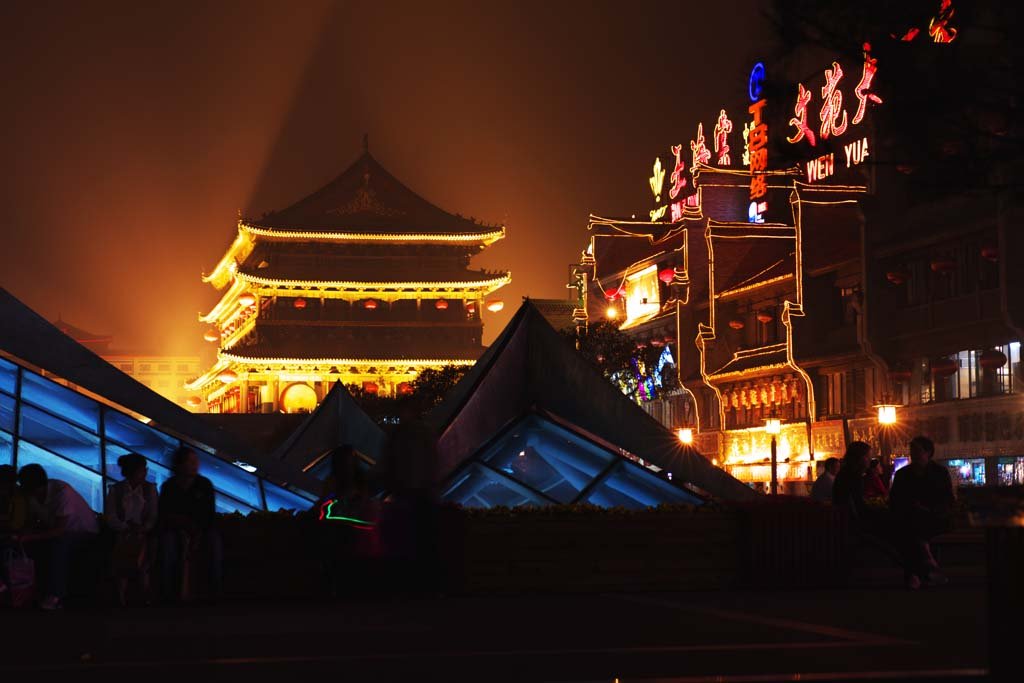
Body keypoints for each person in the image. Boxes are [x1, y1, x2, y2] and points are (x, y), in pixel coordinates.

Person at [15, 464, 99, 610]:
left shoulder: (62, 492)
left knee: (59, 546)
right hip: (62, 530)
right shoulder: (34, 495)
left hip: (82, 531)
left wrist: (29, 536)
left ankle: (55, 594)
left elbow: (60, 530)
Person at [890, 436, 955, 589]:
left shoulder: (939, 472)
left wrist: (930, 508)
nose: (913, 454)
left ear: (928, 452)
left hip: (934, 517)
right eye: (912, 451)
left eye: (917, 451)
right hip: (910, 518)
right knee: (911, 527)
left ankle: (914, 574)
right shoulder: (903, 474)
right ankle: (928, 564)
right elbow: (894, 500)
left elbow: (947, 499)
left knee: (911, 532)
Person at [158, 446, 222, 602]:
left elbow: (208, 514)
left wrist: (196, 529)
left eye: (196, 461)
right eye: (191, 461)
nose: (195, 465)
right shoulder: (170, 486)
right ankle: (170, 591)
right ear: (180, 464)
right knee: (169, 545)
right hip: (177, 529)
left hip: (201, 529)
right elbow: (165, 513)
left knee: (213, 545)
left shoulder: (204, 484)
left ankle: (214, 589)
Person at [104, 453, 158, 605]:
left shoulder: (148, 489)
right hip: (125, 532)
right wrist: (127, 528)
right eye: (142, 469)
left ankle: (125, 593)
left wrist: (142, 529)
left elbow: (153, 516)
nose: (145, 472)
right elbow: (111, 516)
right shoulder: (117, 490)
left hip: (140, 532)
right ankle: (139, 593)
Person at [832, 442, 872, 522]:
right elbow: (858, 505)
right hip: (851, 524)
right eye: (867, 456)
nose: (870, 459)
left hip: (842, 520)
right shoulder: (853, 475)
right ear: (858, 457)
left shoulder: (844, 472)